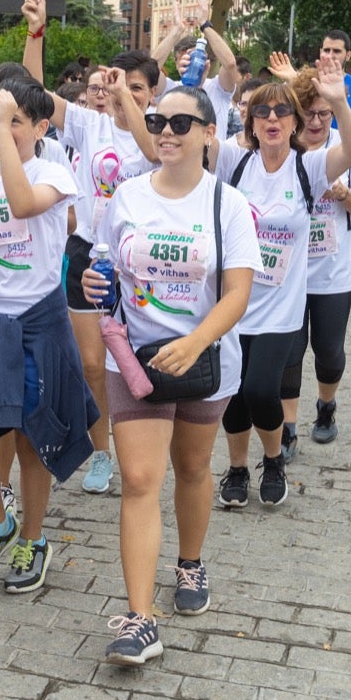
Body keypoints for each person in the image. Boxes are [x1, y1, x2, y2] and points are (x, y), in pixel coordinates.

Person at [82, 85, 260, 664]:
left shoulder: (227, 205)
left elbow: (238, 294)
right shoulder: (128, 196)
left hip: (206, 360)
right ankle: (139, 618)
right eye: (158, 120)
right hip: (134, 360)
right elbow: (102, 267)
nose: (166, 131)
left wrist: (195, 340)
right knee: (138, 479)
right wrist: (92, 285)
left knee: (190, 468)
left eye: (182, 123)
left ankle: (189, 563)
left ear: (210, 133)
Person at [0, 80, 96, 594]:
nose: (2, 128)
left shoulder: (54, 172)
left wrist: (5, 140)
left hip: (39, 324)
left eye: (14, 119)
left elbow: (26, 204)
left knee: (34, 444)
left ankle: (33, 539)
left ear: (40, 127)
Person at [23, 0, 162, 496]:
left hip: (142, 260)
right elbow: (35, 91)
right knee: (91, 362)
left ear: (153, 92)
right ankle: (101, 451)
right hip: (88, 254)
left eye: (142, 88)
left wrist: (124, 95)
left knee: (139, 358)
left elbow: (150, 151)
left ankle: (146, 444)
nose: (132, 95)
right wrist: (36, 31)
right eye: (127, 84)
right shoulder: (91, 124)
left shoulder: (162, 131)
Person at [214, 59, 351, 507]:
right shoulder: (231, 161)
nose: (273, 119)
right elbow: (181, 139)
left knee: (261, 389)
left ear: (295, 122)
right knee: (235, 397)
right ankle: (238, 468)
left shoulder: (309, 168)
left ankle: (274, 457)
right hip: (232, 306)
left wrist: (338, 100)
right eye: (263, 113)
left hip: (281, 309)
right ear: (252, 124)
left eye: (282, 112)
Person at [281, 66, 351, 445]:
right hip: (288, 272)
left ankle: (326, 404)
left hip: (333, 272)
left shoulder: (345, 145)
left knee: (328, 350)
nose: (317, 121)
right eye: (309, 113)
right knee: (289, 351)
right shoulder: (283, 148)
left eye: (325, 113)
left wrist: (343, 195)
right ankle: (287, 428)